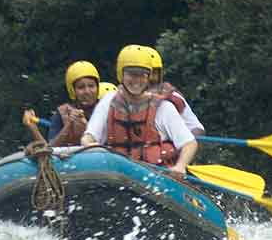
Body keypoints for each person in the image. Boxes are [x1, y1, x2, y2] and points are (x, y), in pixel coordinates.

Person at [81, 44, 198, 176]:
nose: (137, 80)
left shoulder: (163, 107)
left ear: (148, 77)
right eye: (131, 74)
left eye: (142, 75)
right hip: (119, 174)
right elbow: (89, 137)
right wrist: (91, 146)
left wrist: (180, 166)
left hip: (157, 176)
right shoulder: (109, 102)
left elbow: (189, 143)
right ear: (122, 74)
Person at [145, 47, 204, 136]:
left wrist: (184, 145)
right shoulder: (120, 98)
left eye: (155, 73)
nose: (152, 78)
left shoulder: (172, 98)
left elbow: (198, 130)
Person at [45, 61, 100, 146]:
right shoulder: (62, 113)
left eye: (91, 86)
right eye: (81, 87)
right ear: (73, 90)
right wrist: (68, 125)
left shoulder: (107, 109)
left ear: (97, 87)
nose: (87, 91)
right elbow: (51, 147)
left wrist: (86, 126)